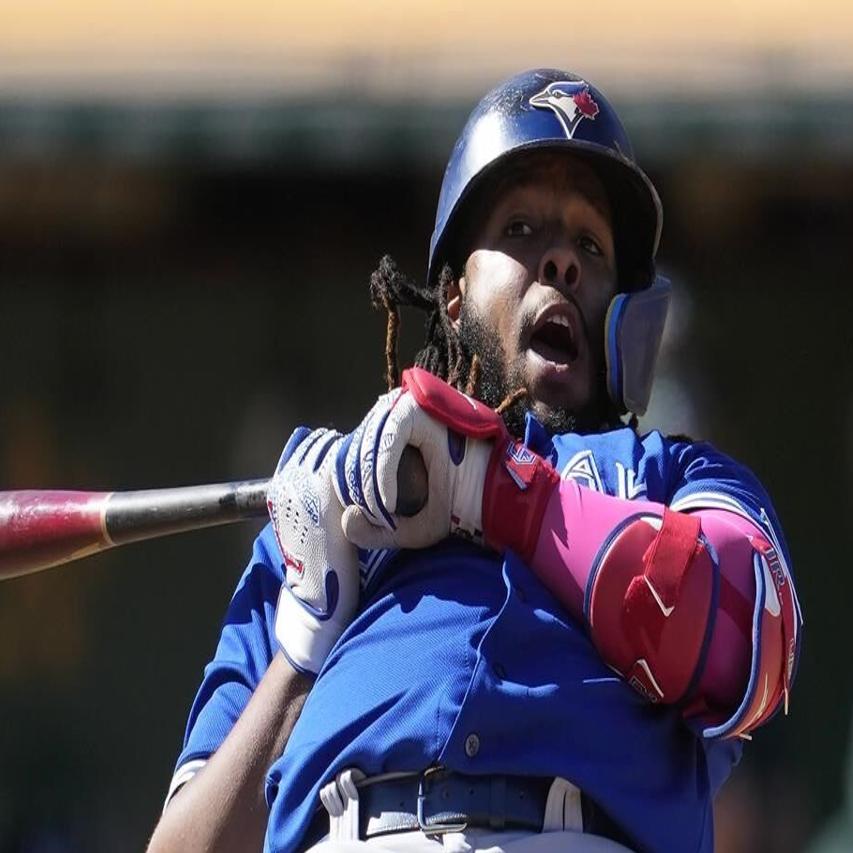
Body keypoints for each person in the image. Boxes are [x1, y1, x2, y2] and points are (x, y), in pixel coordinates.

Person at [146, 69, 802, 853]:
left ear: (624, 312)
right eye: (521, 229)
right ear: (451, 297)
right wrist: (301, 646)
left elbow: (738, 633)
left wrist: (494, 493)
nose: (559, 260)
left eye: (589, 245)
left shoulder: (675, 477)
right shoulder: (323, 517)